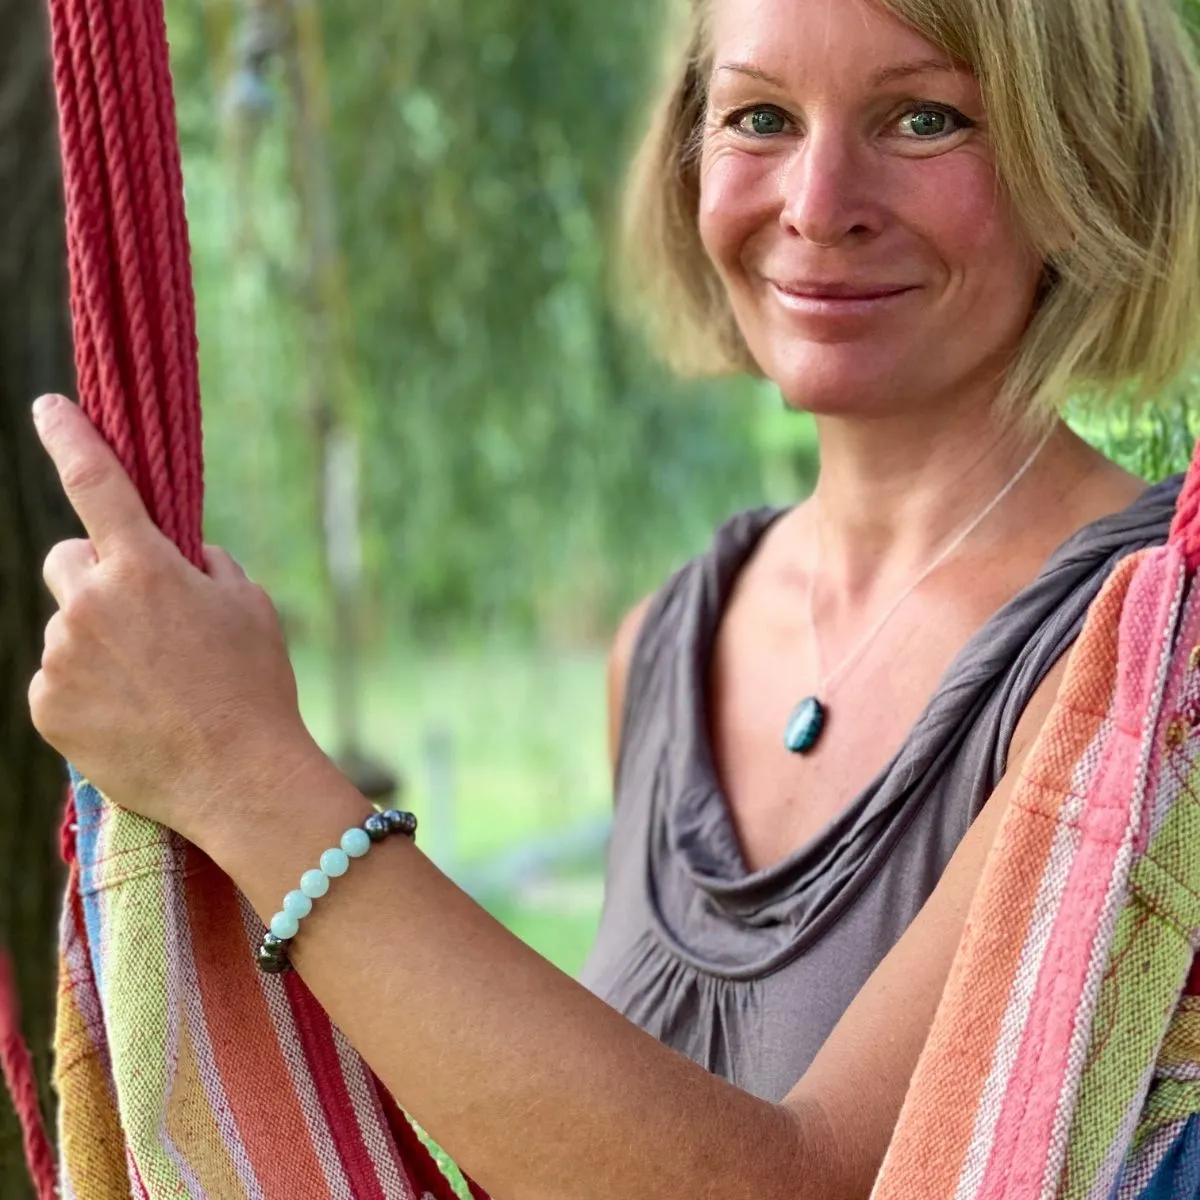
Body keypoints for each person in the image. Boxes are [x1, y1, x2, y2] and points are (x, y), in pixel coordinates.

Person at [27, 0, 1200, 1195]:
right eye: (760, 117)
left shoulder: (1158, 675)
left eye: (923, 118)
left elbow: (809, 1182)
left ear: (1082, 160)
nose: (814, 201)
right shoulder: (660, 647)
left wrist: (238, 765)